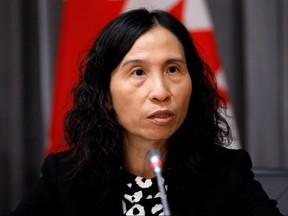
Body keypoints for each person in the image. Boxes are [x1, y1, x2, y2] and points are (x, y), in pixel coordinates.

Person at [11, 8, 282, 216]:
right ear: (105, 95)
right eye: (138, 72)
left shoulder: (227, 173)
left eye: (173, 69)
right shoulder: (65, 177)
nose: (161, 92)